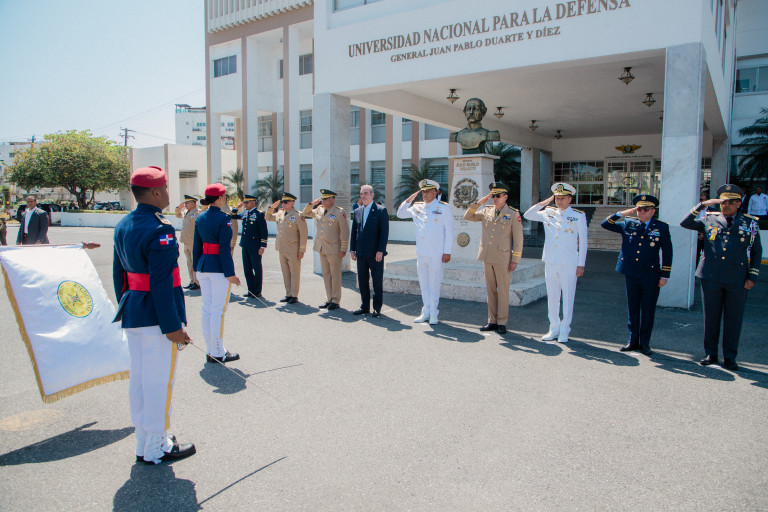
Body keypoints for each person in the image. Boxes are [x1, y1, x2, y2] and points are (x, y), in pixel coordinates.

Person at [112, 165, 195, 465]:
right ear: (157, 193)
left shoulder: (123, 224)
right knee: (159, 382)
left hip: (134, 310)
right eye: (166, 188)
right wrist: (172, 326)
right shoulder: (160, 229)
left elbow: (119, 275)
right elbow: (161, 283)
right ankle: (158, 445)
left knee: (140, 380)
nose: (169, 193)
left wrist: (127, 305)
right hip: (157, 318)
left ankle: (143, 442)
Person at [680, 184, 762, 371]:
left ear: (739, 203)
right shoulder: (709, 219)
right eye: (723, 202)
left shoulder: (749, 223)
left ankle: (730, 357)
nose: (726, 205)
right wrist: (702, 205)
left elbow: (757, 251)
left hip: (737, 279)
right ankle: (711, 353)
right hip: (711, 276)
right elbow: (685, 222)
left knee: (734, 319)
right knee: (711, 318)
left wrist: (752, 276)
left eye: (731, 202)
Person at [600, 194, 673, 355]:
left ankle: (645, 343)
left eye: (646, 209)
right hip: (632, 272)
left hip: (651, 274)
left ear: (653, 211)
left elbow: (667, 251)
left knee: (648, 309)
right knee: (633, 308)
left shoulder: (661, 227)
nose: (642, 212)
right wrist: (622, 213)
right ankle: (632, 341)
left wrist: (665, 275)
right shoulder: (628, 223)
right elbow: (605, 224)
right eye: (639, 209)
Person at [524, 183, 588, 343]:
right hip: (551, 261)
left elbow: (584, 242)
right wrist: (545, 202)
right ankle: (554, 328)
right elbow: (528, 215)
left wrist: (581, 264)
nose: (559, 201)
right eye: (557, 198)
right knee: (552, 297)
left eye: (563, 198)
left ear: (570, 199)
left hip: (569, 262)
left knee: (568, 296)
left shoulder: (578, 216)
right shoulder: (548, 212)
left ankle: (565, 329)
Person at [463, 182, 523, 334]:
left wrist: (515, 260)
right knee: (490, 291)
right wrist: (478, 203)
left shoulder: (513, 214)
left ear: (505, 197)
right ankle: (492, 320)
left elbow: (518, 240)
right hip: (488, 256)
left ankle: (502, 321)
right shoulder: (486, 211)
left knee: (502, 291)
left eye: (498, 196)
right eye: (493, 196)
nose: (495, 198)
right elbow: (467, 216)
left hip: (503, 258)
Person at [193, 183, 242, 363]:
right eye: (225, 196)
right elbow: (224, 250)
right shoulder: (224, 219)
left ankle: (211, 348)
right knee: (218, 311)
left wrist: (196, 268)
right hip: (218, 269)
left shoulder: (200, 217)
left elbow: (196, 245)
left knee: (207, 308)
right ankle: (218, 351)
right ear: (220, 198)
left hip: (203, 266)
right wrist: (230, 273)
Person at [397, 179, 454, 325]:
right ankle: (426, 311)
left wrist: (447, 252)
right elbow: (400, 214)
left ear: (435, 192)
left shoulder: (443, 208)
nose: (425, 194)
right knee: (424, 284)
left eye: (428, 191)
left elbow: (449, 231)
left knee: (434, 284)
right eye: (423, 192)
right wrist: (410, 198)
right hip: (421, 253)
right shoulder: (417, 207)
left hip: (436, 253)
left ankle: (434, 313)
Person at [301, 189, 349, 310]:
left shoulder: (339, 212)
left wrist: (343, 249)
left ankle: (336, 300)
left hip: (334, 249)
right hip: (321, 247)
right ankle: (329, 298)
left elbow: (345, 232)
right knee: (326, 274)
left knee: (335, 275)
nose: (323, 201)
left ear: (332, 199)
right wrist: (312, 203)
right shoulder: (319, 210)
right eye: (322, 199)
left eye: (325, 199)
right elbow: (305, 213)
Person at [350, 184, 389, 317]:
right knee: (362, 281)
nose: (363, 196)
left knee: (377, 281)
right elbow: (354, 232)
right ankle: (364, 306)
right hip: (361, 253)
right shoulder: (357, 211)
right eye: (361, 193)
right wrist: (352, 249)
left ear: (372, 195)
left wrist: (381, 250)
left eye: (366, 193)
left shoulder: (381, 210)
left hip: (375, 253)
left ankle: (377, 308)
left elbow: (384, 233)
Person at [266, 192, 308, 304]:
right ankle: (288, 293)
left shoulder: (298, 215)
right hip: (282, 248)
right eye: (282, 202)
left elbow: (303, 234)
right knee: (285, 272)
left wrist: (302, 250)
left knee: (294, 273)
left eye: (286, 202)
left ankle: (294, 295)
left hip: (293, 249)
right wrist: (271, 208)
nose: (283, 204)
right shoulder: (280, 213)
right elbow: (268, 217)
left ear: (292, 202)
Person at [233, 194, 268, 299]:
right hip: (245, 245)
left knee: (257, 269)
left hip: (255, 246)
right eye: (244, 203)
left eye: (247, 202)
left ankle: (257, 291)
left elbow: (264, 231)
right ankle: (251, 290)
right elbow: (232, 215)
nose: (245, 204)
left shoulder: (259, 214)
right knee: (247, 269)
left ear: (253, 202)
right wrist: (236, 208)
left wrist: (262, 246)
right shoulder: (245, 213)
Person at [175, 195, 200, 290]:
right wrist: (178, 208)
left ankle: (197, 282)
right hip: (186, 241)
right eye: (185, 203)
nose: (185, 205)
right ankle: (192, 280)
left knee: (194, 262)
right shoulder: (186, 212)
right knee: (189, 262)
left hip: (193, 241)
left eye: (187, 203)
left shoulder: (197, 213)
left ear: (194, 203)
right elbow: (178, 215)